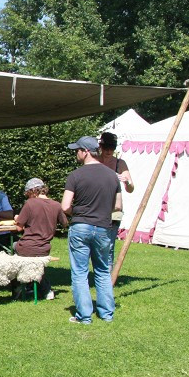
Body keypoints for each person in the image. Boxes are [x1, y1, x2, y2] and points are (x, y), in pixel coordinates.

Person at [61, 136, 122, 324]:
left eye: (77, 150)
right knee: (103, 271)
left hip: (80, 226)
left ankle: (84, 316)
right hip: (104, 227)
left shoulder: (75, 176)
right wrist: (100, 210)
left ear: (86, 151)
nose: (76, 153)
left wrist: (78, 212)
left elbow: (64, 206)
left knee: (80, 272)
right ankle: (106, 314)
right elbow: (118, 206)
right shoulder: (112, 175)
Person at [14, 178, 68, 300]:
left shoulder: (30, 203)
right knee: (36, 264)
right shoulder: (56, 205)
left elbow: (18, 228)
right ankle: (45, 289)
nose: (27, 196)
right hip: (44, 248)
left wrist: (18, 218)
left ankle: (20, 286)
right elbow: (65, 223)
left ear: (33, 191)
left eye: (28, 193)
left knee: (11, 248)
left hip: (26, 247)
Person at [96, 132, 135, 270]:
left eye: (111, 148)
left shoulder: (120, 163)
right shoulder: (94, 160)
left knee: (109, 245)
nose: (108, 151)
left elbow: (131, 188)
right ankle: (99, 273)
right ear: (100, 146)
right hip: (96, 208)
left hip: (114, 210)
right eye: (105, 148)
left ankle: (107, 278)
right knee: (95, 244)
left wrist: (126, 181)